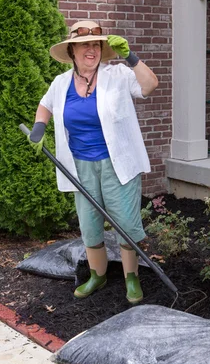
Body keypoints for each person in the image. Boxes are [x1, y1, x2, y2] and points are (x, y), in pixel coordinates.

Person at [29, 20, 158, 304]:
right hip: (80, 165)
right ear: (72, 51)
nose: (92, 49)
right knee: (89, 224)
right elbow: (45, 105)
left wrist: (132, 56)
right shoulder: (61, 83)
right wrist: (40, 127)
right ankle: (97, 275)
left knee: (124, 221)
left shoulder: (119, 75)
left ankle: (131, 277)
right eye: (84, 45)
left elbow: (149, 85)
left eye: (96, 44)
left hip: (117, 163)